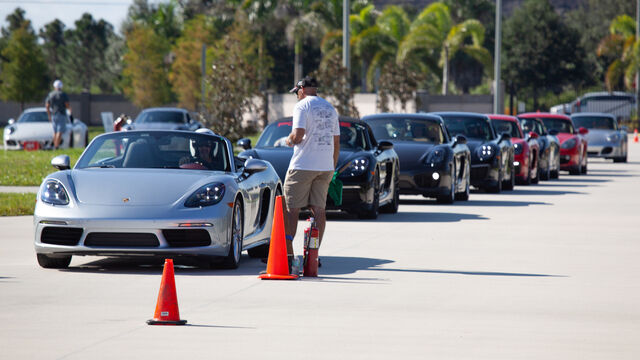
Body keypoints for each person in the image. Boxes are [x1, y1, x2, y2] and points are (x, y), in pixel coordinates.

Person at [283, 76, 340, 271]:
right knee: (319, 210)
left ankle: (289, 257)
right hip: (325, 167)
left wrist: (289, 140)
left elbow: (298, 134)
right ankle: (313, 255)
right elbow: (336, 142)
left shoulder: (302, 106)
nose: (296, 95)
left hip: (302, 166)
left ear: (301, 89)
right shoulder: (330, 108)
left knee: (291, 209)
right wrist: (331, 168)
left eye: (296, 92)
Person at [45, 80, 72, 150]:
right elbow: (67, 105)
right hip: (61, 114)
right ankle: (56, 146)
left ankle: (53, 145)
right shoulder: (63, 94)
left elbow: (47, 105)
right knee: (59, 132)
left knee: (55, 131)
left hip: (53, 114)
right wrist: (70, 111)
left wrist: (49, 115)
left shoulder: (51, 94)